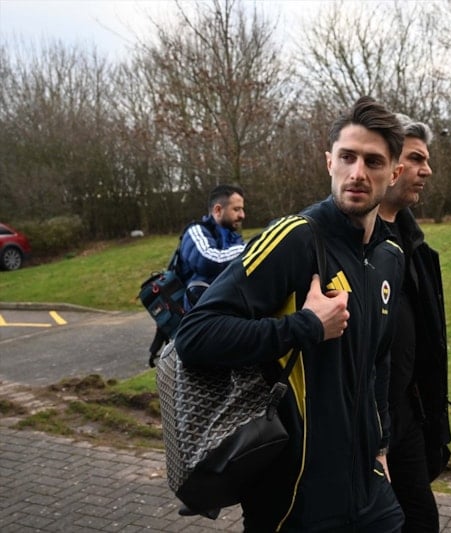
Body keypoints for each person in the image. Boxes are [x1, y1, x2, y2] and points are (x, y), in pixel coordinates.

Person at [175, 96, 407, 532]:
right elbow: (195, 336)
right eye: (347, 157)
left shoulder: (390, 256)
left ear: (394, 173)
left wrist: (380, 449)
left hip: (369, 493)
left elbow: (380, 360)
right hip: (295, 499)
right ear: (329, 162)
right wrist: (306, 326)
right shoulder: (296, 238)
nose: (358, 172)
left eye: (373, 161)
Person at [378, 115, 451, 532]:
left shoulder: (415, 244)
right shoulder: (340, 240)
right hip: (362, 425)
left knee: (421, 520)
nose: (428, 170)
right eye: (417, 158)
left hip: (406, 416)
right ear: (390, 163)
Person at [146, 184, 246, 366]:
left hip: (220, 322)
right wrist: (253, 248)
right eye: (237, 209)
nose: (242, 215)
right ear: (218, 210)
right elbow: (208, 261)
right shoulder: (196, 231)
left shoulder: (233, 238)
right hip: (194, 326)